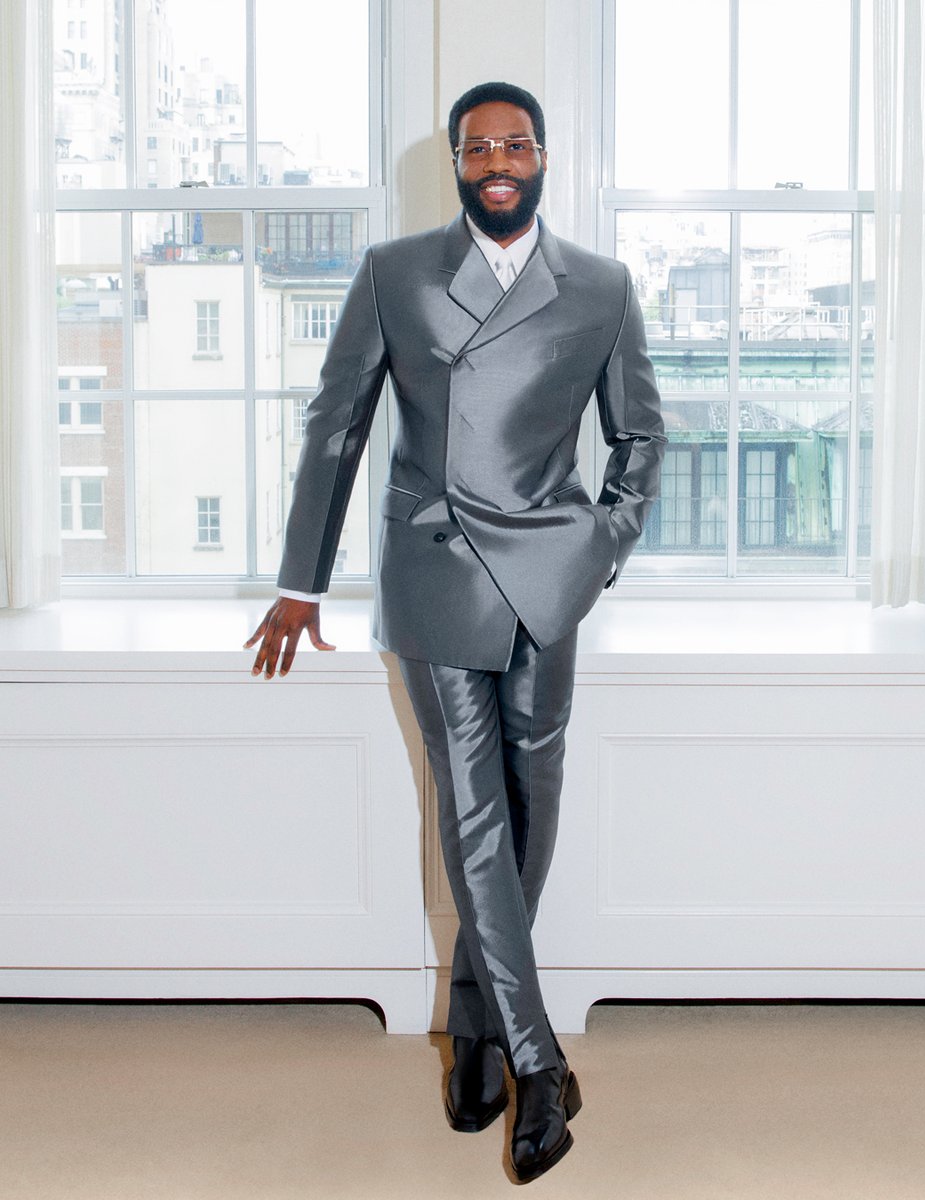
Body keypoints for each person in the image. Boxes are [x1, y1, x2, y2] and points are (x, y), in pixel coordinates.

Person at [245, 81, 665, 1185]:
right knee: (474, 811)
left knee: (531, 812)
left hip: (551, 582)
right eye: (478, 145)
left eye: (516, 143)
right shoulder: (395, 272)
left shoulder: (604, 286)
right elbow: (336, 428)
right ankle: (537, 1064)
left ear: (544, 155)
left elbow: (643, 437)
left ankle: (473, 1022)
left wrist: (601, 547)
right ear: (454, 161)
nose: (498, 161)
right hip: (433, 572)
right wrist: (301, 582)